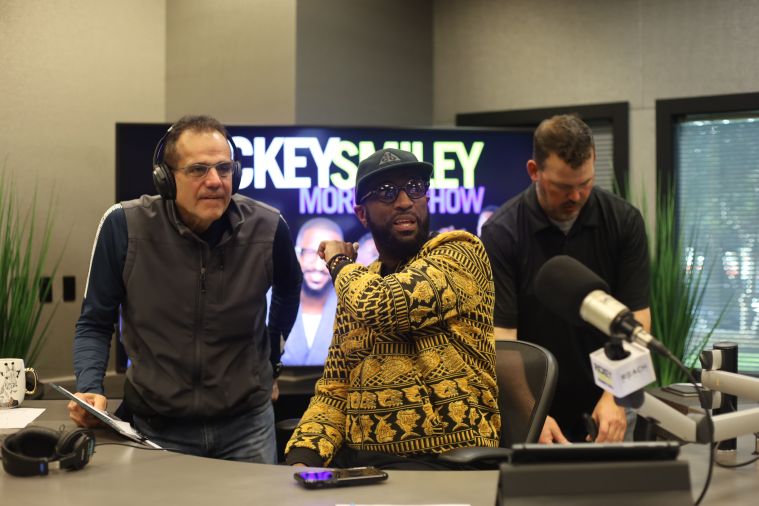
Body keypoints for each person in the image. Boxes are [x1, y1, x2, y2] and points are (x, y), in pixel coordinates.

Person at [70, 115, 302, 463]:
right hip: (156, 427)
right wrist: (90, 388)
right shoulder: (124, 226)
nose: (215, 181)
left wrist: (271, 361)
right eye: (198, 170)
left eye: (224, 169)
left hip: (247, 427)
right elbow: (95, 322)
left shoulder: (268, 227)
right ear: (165, 178)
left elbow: (290, 287)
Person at [285, 148, 500, 469]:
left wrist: (339, 262)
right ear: (362, 214)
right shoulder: (360, 283)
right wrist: (302, 460)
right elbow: (335, 391)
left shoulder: (459, 254)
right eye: (386, 192)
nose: (404, 201)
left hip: (442, 463)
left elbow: (384, 305)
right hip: (363, 466)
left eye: (415, 187)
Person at [481, 114, 650, 443]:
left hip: (610, 394)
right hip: (533, 398)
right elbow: (503, 340)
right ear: (534, 171)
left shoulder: (624, 221)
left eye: (585, 183)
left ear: (594, 161)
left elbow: (637, 321)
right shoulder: (501, 233)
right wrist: (531, 412)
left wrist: (615, 397)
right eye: (563, 187)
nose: (576, 196)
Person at [281, 217, 343, 366]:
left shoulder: (354, 308)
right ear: (297, 254)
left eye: (327, 256)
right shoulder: (266, 302)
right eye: (309, 253)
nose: (317, 266)